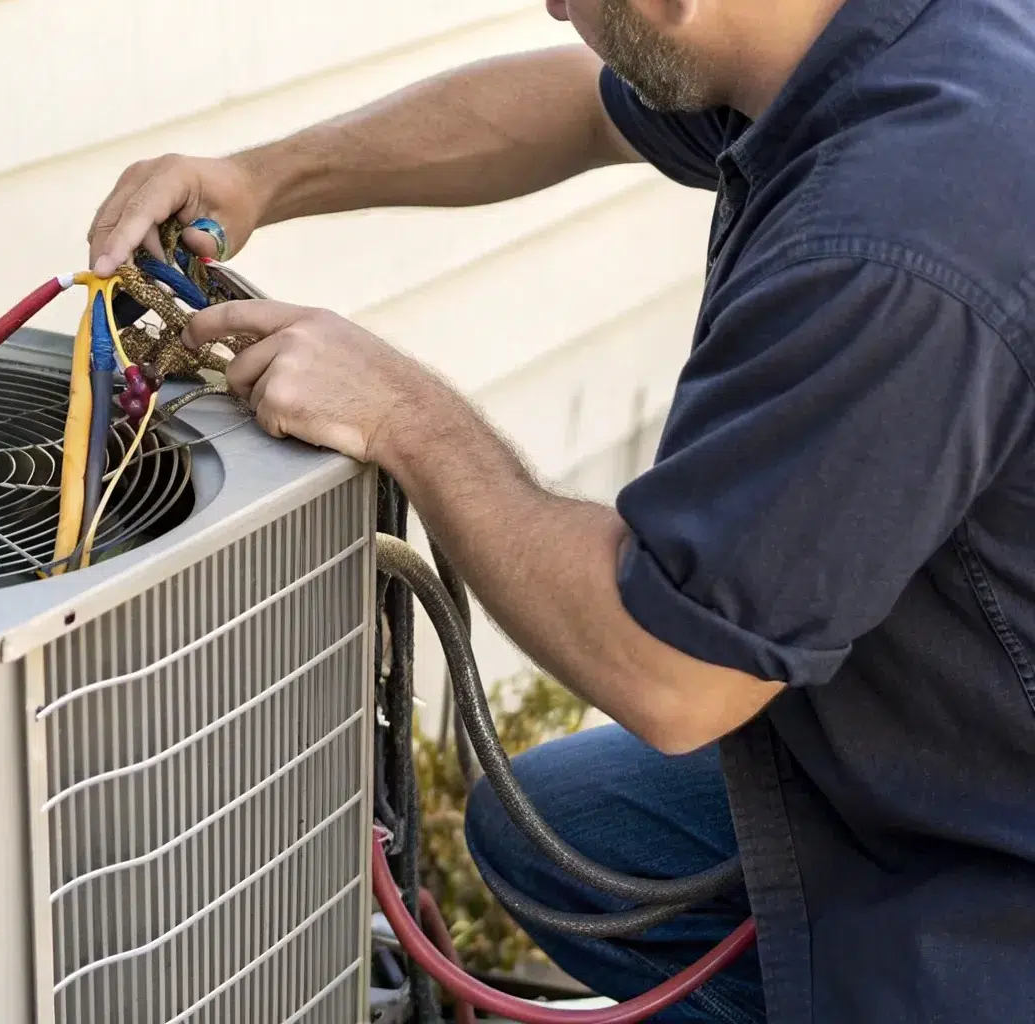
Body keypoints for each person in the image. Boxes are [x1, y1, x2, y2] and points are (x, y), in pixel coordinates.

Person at [85, 0, 1035, 1021]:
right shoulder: (849, 38)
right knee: (555, 828)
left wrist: (404, 414)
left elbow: (672, 677)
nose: (550, 4)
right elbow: (576, 105)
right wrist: (265, 174)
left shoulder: (888, 238)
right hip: (937, 713)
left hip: (990, 844)